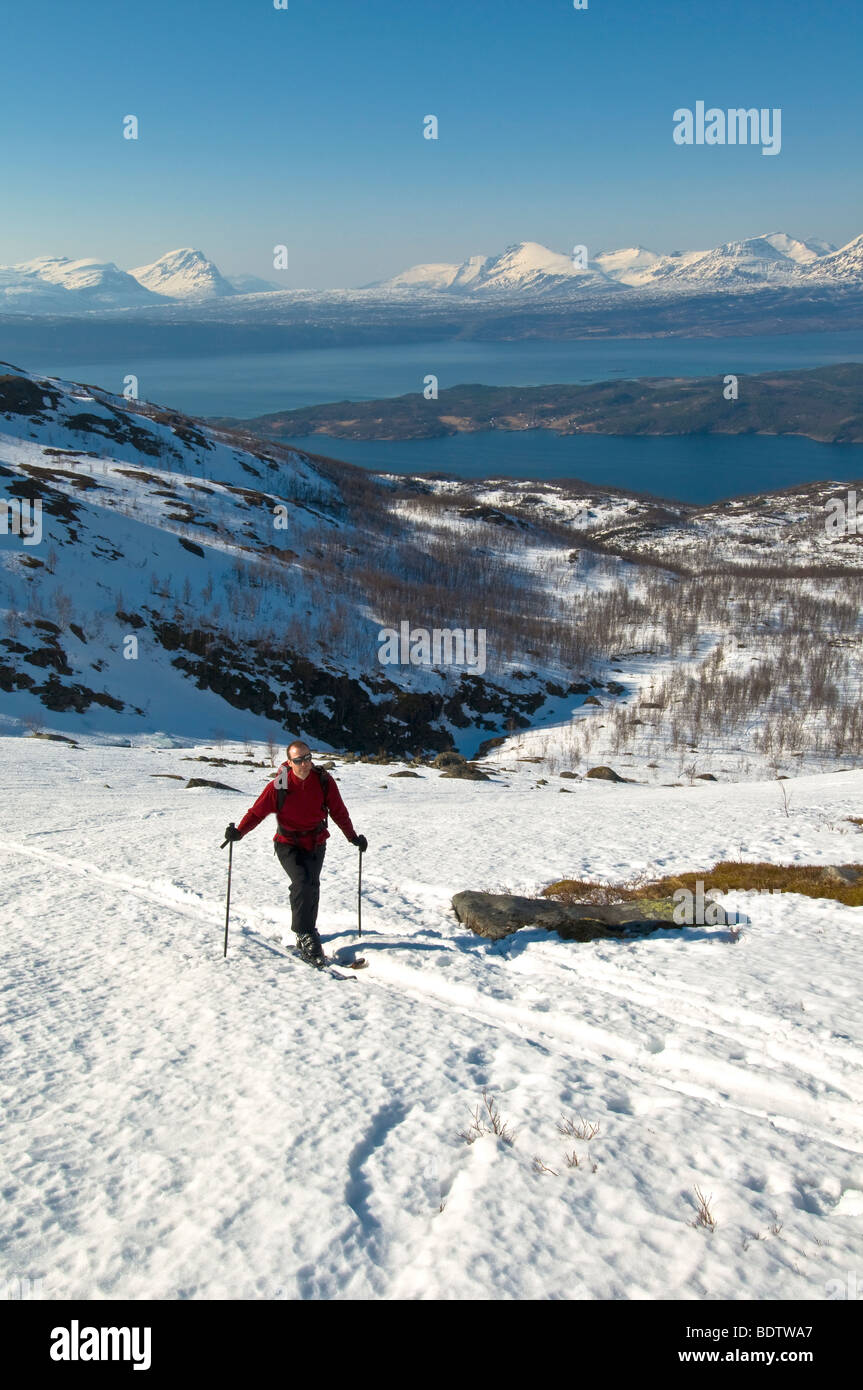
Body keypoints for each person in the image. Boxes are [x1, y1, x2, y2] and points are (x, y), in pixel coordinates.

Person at [223, 740, 367, 968]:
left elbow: (339, 811)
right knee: (302, 882)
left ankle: (308, 930)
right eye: (298, 760)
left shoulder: (323, 781)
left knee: (312, 885)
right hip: (287, 843)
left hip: (316, 841)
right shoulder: (280, 785)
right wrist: (239, 831)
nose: (304, 764)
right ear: (289, 762)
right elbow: (257, 811)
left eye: (308, 758)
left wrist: (353, 837)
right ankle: (304, 933)